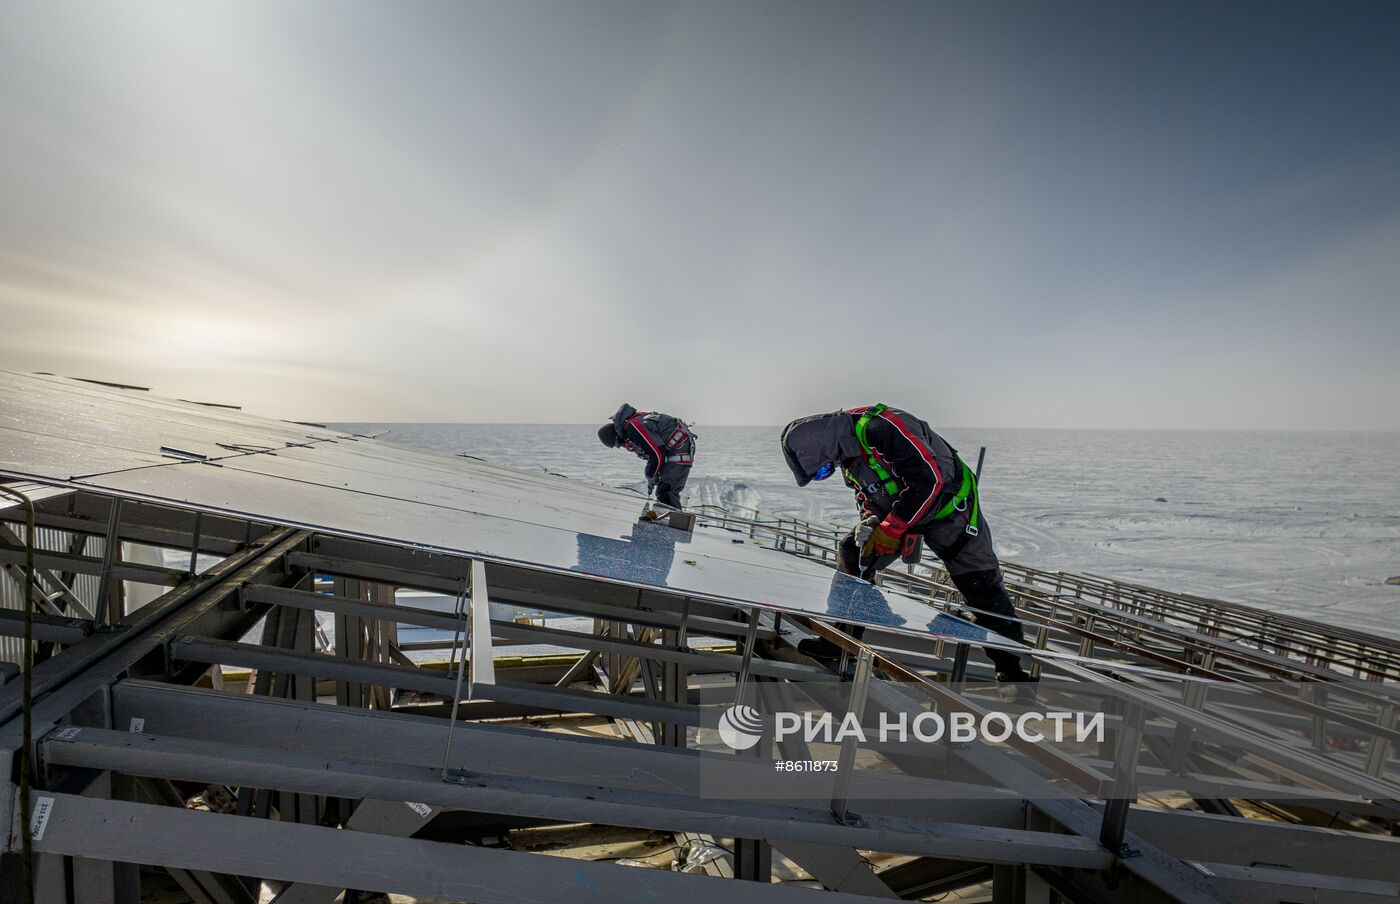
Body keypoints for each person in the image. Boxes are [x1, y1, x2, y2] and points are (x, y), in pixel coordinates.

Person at [780, 404, 1035, 697]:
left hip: (951, 511)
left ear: (822, 447)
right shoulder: (849, 459)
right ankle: (841, 641)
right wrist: (871, 524)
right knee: (853, 552)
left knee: (981, 586)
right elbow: (867, 495)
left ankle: (1012, 672)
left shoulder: (882, 429)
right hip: (903, 514)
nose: (830, 470)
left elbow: (929, 482)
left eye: (824, 467)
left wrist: (890, 530)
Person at [598, 403, 695, 509]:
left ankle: (671, 522)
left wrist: (650, 476)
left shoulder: (633, 428)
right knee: (665, 490)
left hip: (679, 448)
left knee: (666, 491)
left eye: (618, 444)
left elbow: (656, 454)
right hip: (679, 446)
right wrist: (654, 474)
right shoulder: (634, 423)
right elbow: (656, 453)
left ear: (617, 435)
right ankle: (668, 519)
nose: (621, 446)